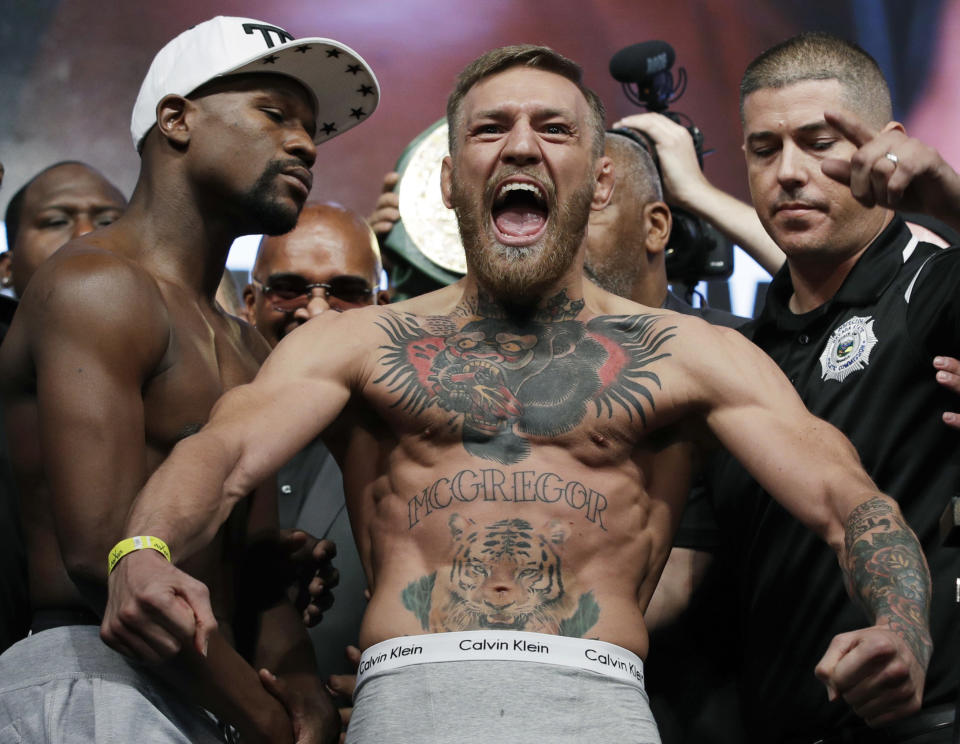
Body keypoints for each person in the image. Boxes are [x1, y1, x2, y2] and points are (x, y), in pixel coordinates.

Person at [103, 45, 931, 744]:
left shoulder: (689, 354)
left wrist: (903, 626)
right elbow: (220, 452)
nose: (522, 147)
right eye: (492, 129)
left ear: (601, 181)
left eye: (555, 128)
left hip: (597, 702)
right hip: (406, 703)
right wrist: (140, 555)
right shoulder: (356, 344)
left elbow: (848, 500)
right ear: (449, 182)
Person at [0, 15, 378, 743]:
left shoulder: (244, 344)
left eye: (310, 129)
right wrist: (268, 721)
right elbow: (104, 556)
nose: (304, 144)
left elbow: (259, 577)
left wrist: (300, 690)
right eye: (274, 115)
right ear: (177, 119)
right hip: (93, 678)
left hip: (210, 687)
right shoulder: (96, 286)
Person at [699, 32, 960, 743]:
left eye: (819, 143)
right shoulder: (739, 356)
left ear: (888, 148)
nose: (788, 173)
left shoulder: (933, 291)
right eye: (764, 149)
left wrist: (951, 198)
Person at [243, 201, 385, 669]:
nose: (319, 310)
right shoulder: (198, 436)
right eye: (289, 288)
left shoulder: (416, 448)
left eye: (347, 291)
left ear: (383, 306)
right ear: (251, 304)